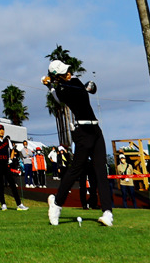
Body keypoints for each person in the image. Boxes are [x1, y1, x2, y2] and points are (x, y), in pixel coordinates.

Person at [44, 60, 114, 227]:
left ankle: (107, 212)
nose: (68, 72)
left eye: (68, 70)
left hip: (96, 131)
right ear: (57, 76)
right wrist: (50, 86)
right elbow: (58, 98)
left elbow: (87, 88)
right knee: (76, 169)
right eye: (64, 72)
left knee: (101, 171)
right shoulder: (61, 89)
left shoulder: (75, 82)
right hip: (82, 133)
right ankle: (57, 205)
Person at [0, 124, 27, 210]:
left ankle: (19, 204)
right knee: (1, 184)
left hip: (6, 164)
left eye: (2, 129)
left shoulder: (7, 140)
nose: (1, 131)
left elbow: (12, 149)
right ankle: (3, 204)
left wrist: (11, 158)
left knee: (12, 184)